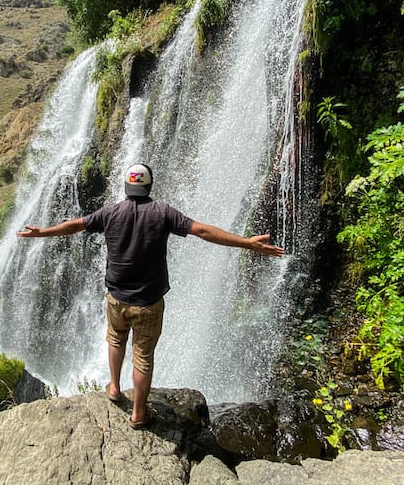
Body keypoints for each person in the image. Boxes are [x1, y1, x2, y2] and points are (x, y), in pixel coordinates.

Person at [17, 163, 285, 429]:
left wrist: (42, 232)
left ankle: (113, 387)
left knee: (115, 339)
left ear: (126, 186)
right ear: (149, 186)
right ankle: (138, 413)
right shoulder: (163, 213)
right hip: (148, 303)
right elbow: (202, 231)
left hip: (116, 298)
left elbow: (76, 225)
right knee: (143, 356)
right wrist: (246, 243)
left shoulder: (110, 212)